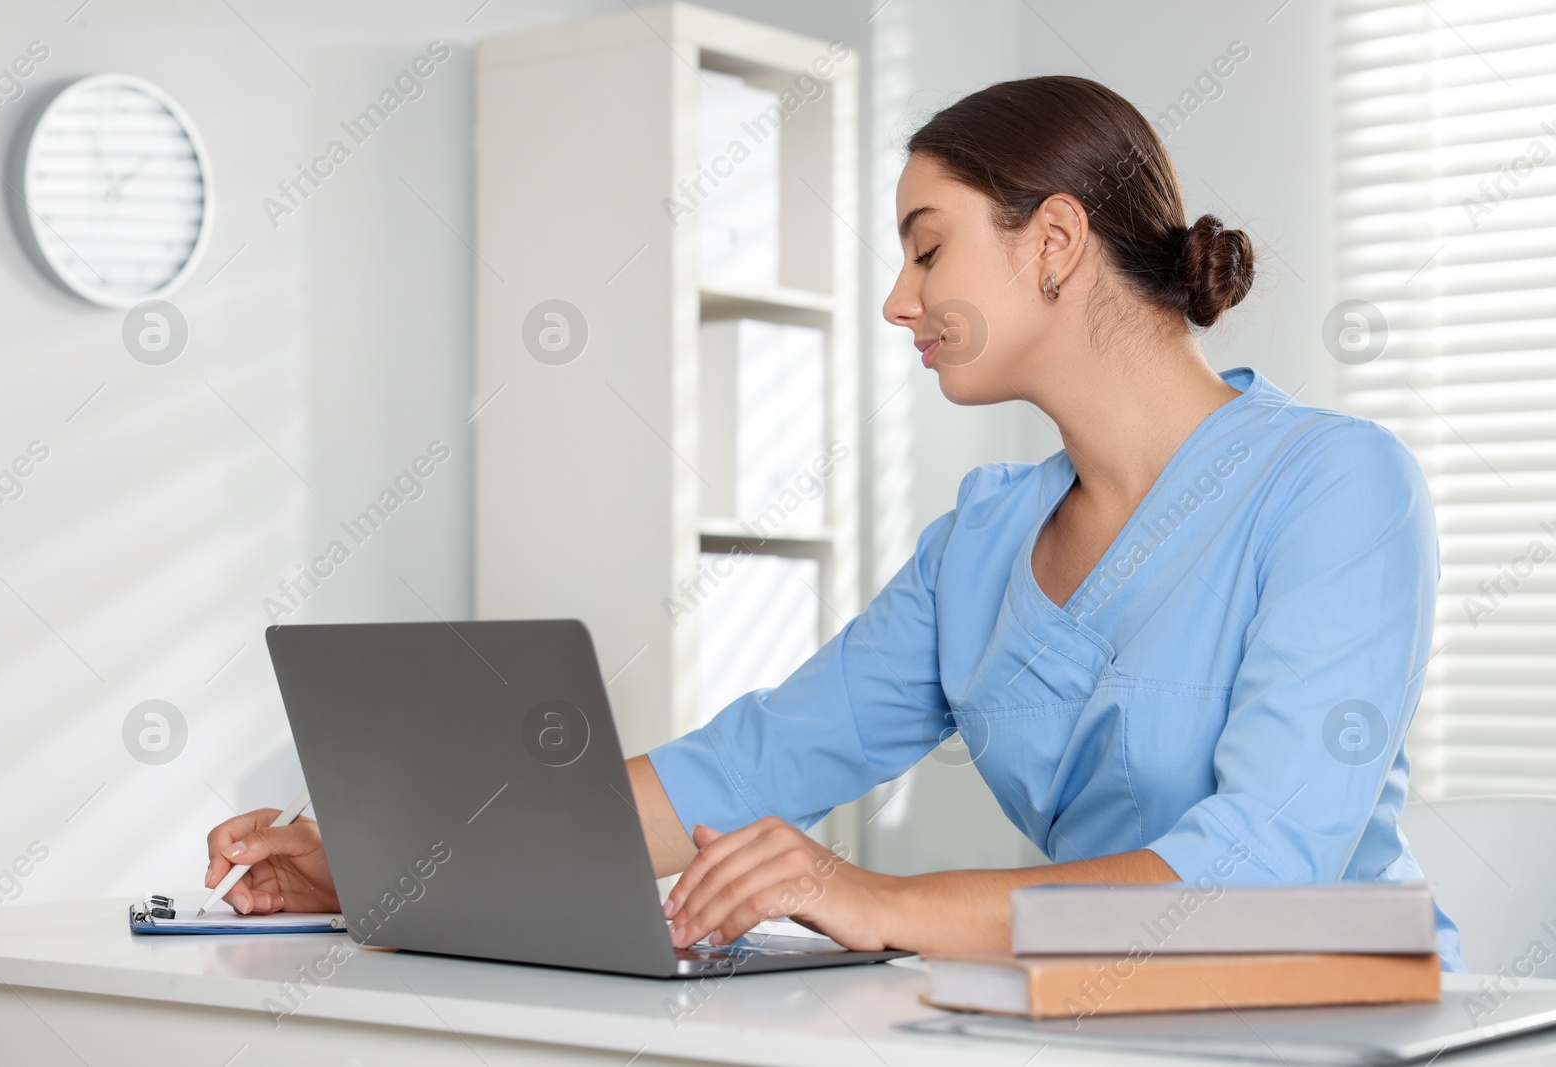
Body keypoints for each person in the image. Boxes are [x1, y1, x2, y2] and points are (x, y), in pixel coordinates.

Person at [206, 75, 1465, 972]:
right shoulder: (979, 543)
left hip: (1333, 1019)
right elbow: (741, 765)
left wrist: (875, 898)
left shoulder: (1334, 486)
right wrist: (394, 856)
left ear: (1057, 243)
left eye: (927, 251)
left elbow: (1266, 872)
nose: (894, 300)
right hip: (1095, 1012)